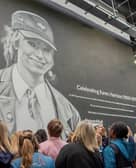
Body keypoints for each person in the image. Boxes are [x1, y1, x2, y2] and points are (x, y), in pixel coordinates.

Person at [0, 10, 81, 138]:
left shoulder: (68, 110)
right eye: (32, 44)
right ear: (16, 42)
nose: (39, 55)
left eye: (46, 49)